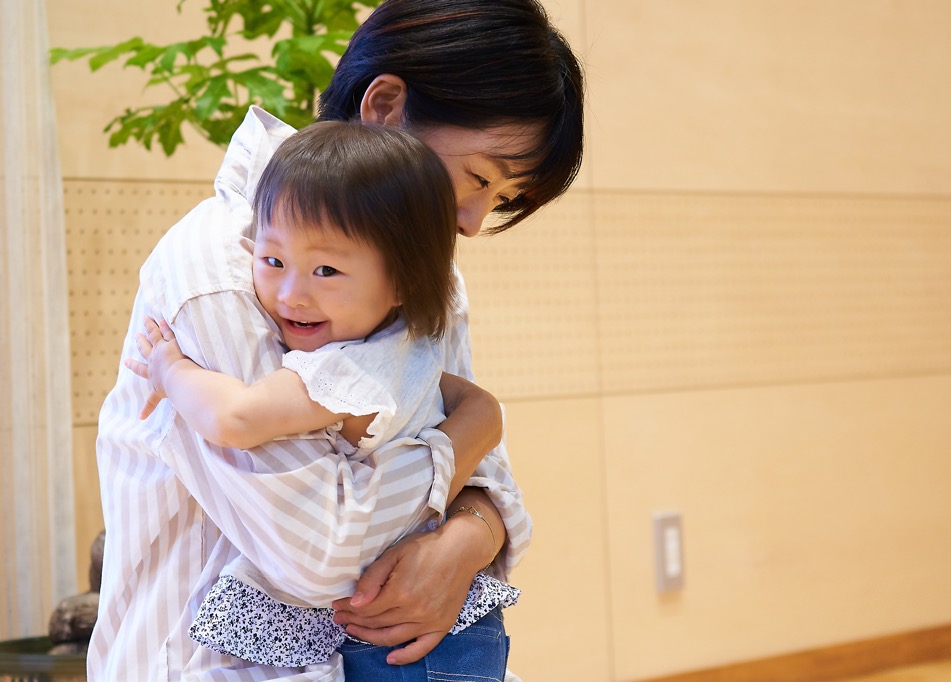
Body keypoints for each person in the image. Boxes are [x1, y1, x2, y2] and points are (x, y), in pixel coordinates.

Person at [88, 0, 584, 679]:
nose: (473, 222)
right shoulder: (223, 268)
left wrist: (468, 539)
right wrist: (470, 437)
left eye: (500, 199)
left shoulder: (420, 274)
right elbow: (321, 552)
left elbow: (488, 480)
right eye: (478, 178)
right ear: (384, 107)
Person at [126, 119, 520, 672]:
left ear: (402, 281)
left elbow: (235, 418)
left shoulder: (348, 372)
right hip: (439, 621)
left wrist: (168, 369)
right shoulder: (408, 350)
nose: (292, 294)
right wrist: (481, 419)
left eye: (327, 270)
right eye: (273, 261)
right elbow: (474, 406)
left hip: (399, 638)